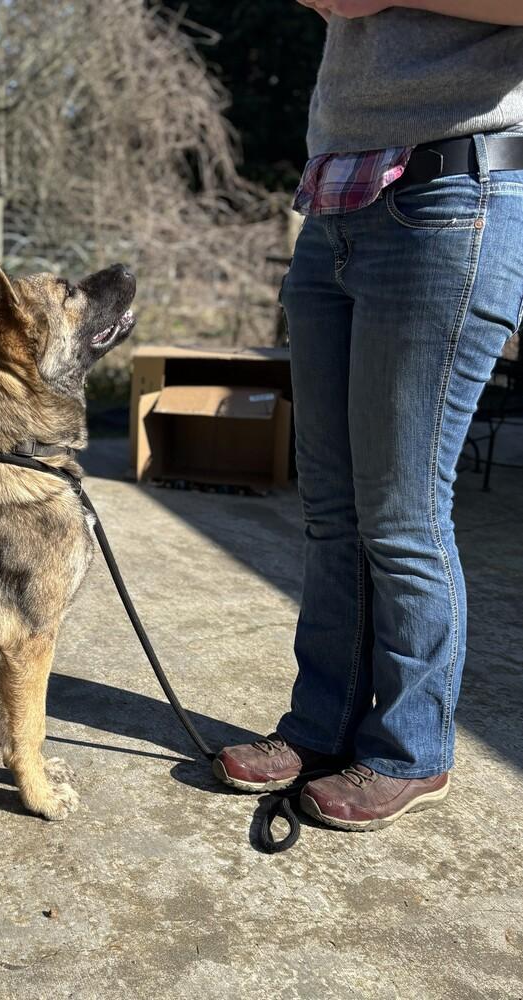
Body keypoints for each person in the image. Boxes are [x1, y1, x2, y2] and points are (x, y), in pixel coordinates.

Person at [212, 0, 523, 832]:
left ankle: (410, 749)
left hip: (453, 193)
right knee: (331, 509)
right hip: (337, 195)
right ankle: (320, 727)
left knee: (402, 513)